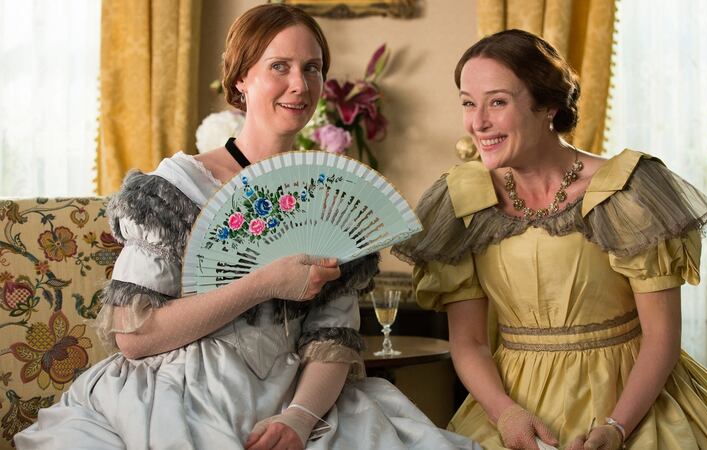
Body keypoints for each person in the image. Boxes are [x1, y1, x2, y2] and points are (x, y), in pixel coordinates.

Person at [15, 5, 478, 450]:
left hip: (299, 396)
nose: (299, 85)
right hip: (180, 390)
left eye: (312, 68)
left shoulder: (333, 199)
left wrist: (297, 419)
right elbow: (135, 338)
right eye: (280, 66)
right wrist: (263, 284)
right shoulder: (177, 191)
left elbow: (331, 342)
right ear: (241, 80)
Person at [393, 29, 707, 450]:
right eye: (468, 103)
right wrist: (506, 414)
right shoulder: (462, 200)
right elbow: (469, 341)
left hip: (633, 403)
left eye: (497, 102)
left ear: (546, 105)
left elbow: (662, 336)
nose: (478, 122)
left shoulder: (626, 189)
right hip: (509, 409)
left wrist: (617, 427)